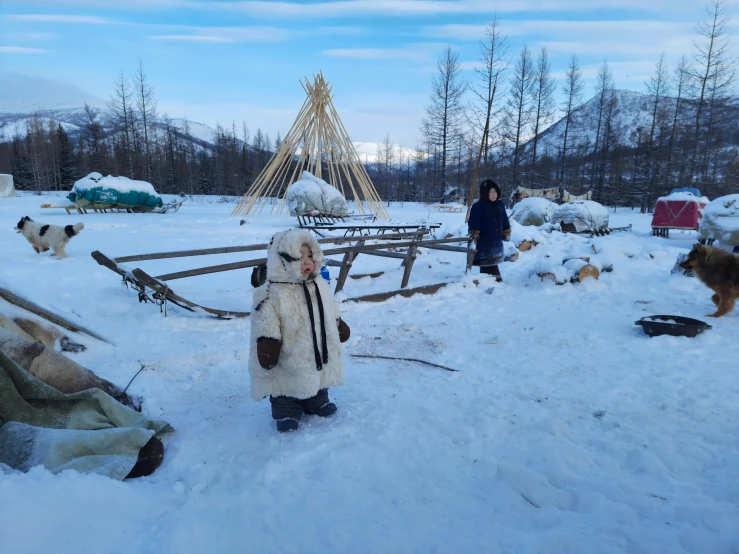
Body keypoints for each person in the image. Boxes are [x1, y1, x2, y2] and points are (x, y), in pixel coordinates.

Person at [249, 229, 350, 432]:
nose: (306, 262)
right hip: (288, 355)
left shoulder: (319, 285)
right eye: (300, 257)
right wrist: (268, 343)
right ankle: (286, 411)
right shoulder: (272, 293)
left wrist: (338, 322)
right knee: (286, 385)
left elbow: (330, 306)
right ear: (282, 260)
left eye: (310, 256)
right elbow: (266, 320)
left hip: (317, 351)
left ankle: (317, 401)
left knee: (318, 375)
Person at [468, 179, 511, 282]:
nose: (493, 194)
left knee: (492, 262)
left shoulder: (500, 204)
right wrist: (474, 233)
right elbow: (474, 222)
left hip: (496, 241)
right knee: (486, 263)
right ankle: (493, 282)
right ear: (485, 193)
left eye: (495, 191)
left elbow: (505, 219)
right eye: (490, 192)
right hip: (484, 242)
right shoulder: (478, 206)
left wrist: (506, 231)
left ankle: (490, 282)